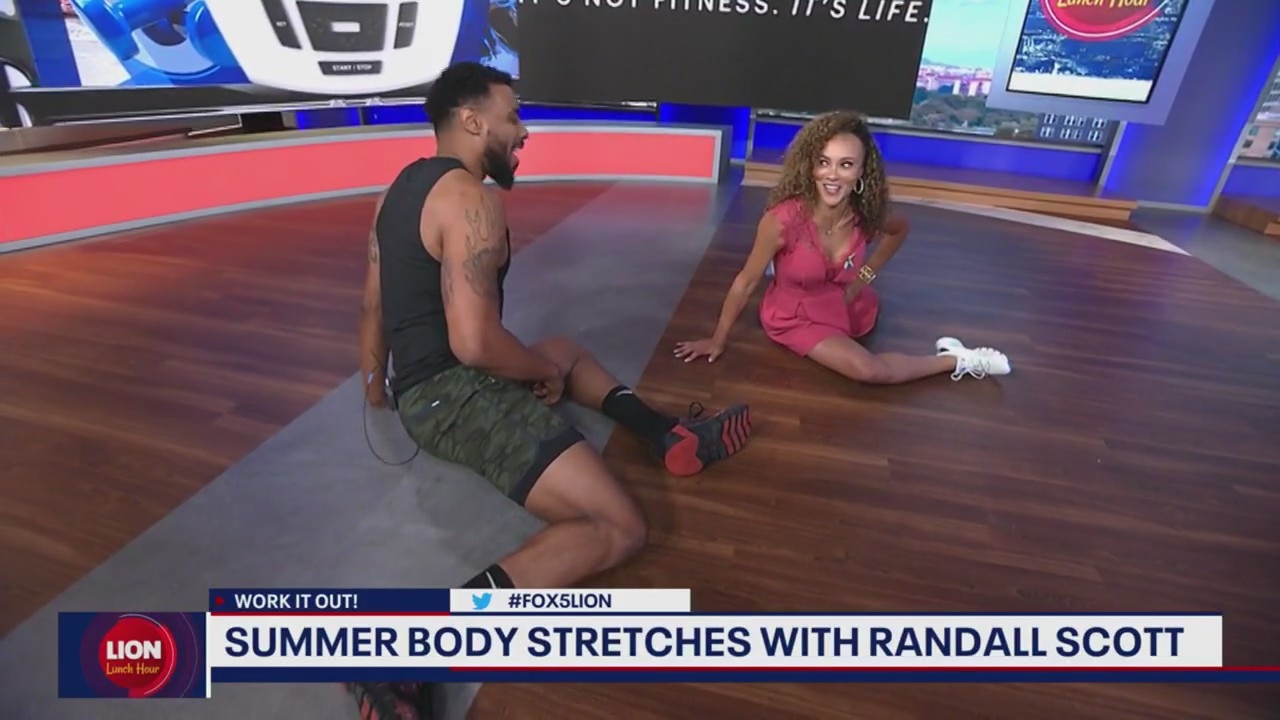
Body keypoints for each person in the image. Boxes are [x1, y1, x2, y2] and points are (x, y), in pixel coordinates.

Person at [353, 61, 753, 718]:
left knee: (563, 349)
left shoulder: (396, 191)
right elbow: (474, 344)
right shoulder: (471, 200)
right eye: (512, 116)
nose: (524, 131)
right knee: (619, 526)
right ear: (472, 121)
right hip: (456, 396)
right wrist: (538, 374)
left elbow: (373, 305)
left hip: (422, 387)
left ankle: (665, 434)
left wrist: (378, 392)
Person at [674, 110, 1011, 384]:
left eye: (846, 164)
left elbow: (899, 229)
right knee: (869, 371)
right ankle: (957, 359)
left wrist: (864, 277)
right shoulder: (781, 220)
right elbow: (745, 282)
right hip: (795, 316)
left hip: (846, 304)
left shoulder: (865, 214)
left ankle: (951, 354)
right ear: (810, 166)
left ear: (862, 171)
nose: (832, 175)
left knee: (864, 346)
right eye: (823, 162)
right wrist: (717, 339)